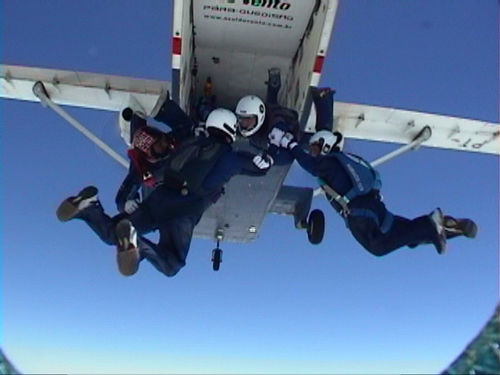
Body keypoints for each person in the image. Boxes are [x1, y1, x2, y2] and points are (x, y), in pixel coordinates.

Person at [56, 108, 273, 277]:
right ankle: (135, 242)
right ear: (230, 129)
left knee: (113, 235)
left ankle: (89, 207)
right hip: (184, 210)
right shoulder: (229, 155)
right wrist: (265, 159)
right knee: (171, 263)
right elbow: (260, 168)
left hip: (159, 198)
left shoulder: (187, 141)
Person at [270, 87, 478, 256]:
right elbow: (317, 155)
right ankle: (448, 229)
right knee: (405, 237)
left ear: (325, 146)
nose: (312, 152)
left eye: (314, 148)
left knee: (381, 245)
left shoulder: (329, 163)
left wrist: (291, 145)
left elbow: (312, 164)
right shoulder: (339, 161)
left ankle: (433, 226)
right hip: (369, 207)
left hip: (362, 209)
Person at [235, 67, 301, 165]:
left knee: (272, 103)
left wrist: (270, 156)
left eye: (248, 119)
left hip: (285, 124)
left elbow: (278, 131)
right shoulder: (247, 130)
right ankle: (274, 81)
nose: (244, 123)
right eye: (242, 119)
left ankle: (274, 81)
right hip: (264, 132)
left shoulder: (276, 125)